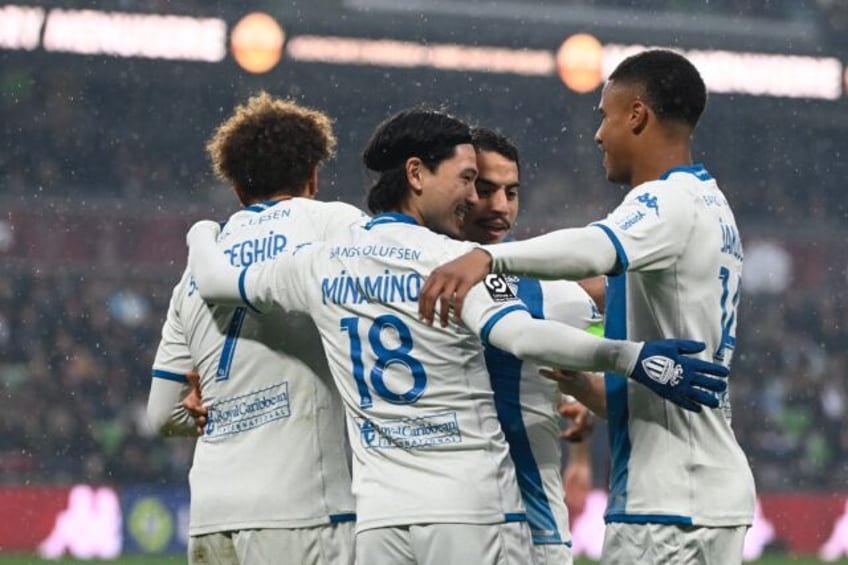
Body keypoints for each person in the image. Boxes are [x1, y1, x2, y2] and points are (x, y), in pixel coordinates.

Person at [184, 107, 729, 565]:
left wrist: (202, 230)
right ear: (417, 174)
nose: (478, 199)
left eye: (500, 189)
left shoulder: (322, 262)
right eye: (469, 181)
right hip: (472, 506)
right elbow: (522, 335)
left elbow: (214, 281)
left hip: (381, 517)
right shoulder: (455, 262)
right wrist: (633, 358)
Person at [418, 50, 756, 564]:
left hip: (666, 506)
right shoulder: (713, 205)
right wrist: (587, 387)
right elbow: (666, 375)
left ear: (637, 115)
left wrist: (488, 258)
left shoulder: (668, 200)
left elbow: (592, 248)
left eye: (605, 116)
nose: (598, 135)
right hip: (703, 491)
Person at [146, 92, 364, 565]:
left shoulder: (198, 266)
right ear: (313, 175)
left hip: (212, 515)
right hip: (304, 510)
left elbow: (163, 415)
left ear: (238, 190)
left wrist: (206, 413)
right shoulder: (334, 223)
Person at [466, 127, 600, 565]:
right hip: (440, 516)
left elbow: (592, 350)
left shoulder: (552, 288)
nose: (500, 207)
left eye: (511, 192)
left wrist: (580, 429)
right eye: (485, 190)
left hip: (530, 527)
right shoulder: (415, 265)